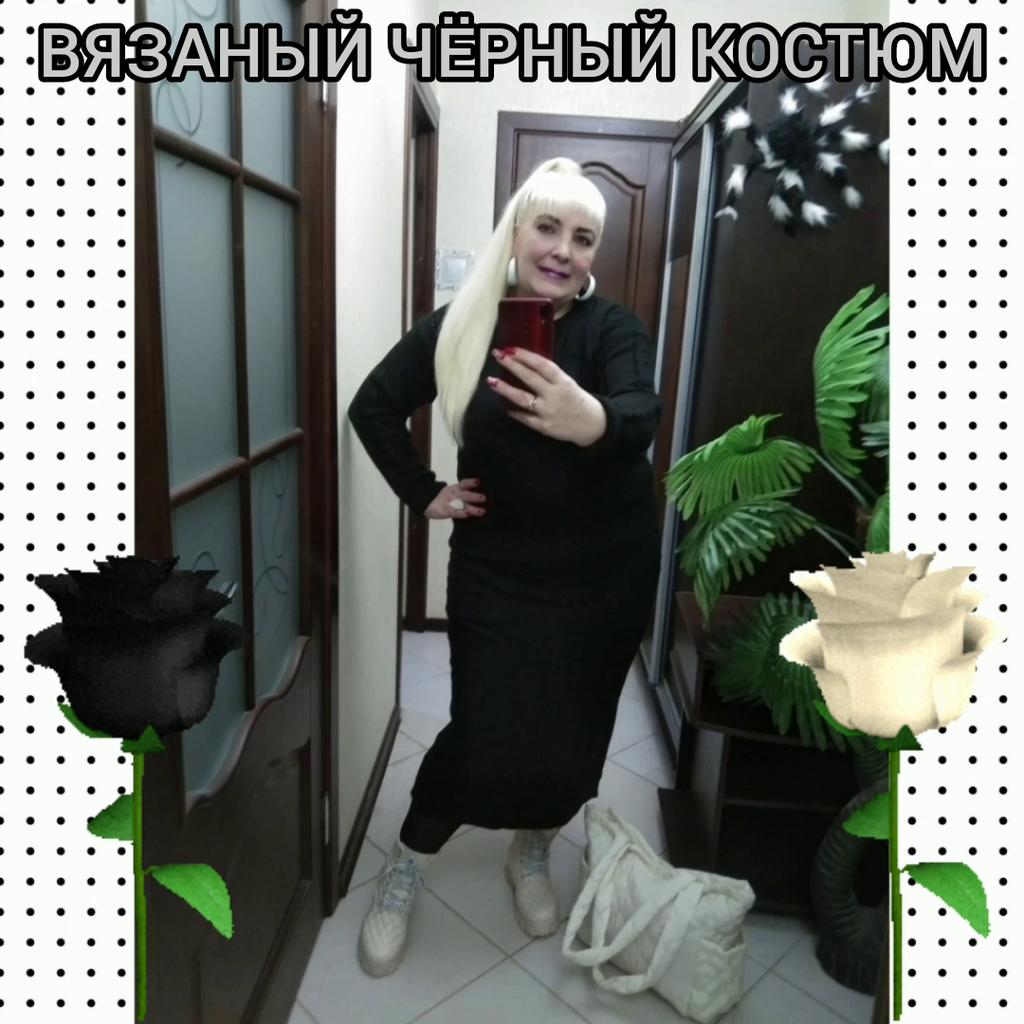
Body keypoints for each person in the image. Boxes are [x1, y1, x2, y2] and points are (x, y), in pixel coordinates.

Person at [348, 157, 661, 977]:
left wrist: (590, 418)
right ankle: (409, 858)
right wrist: (425, 492)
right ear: (516, 233)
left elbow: (641, 413)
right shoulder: (459, 328)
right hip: (499, 573)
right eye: (548, 227)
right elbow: (372, 406)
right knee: (484, 732)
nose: (563, 250)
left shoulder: (613, 330)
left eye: (583, 237)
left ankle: (533, 844)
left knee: (574, 727)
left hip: (605, 571)